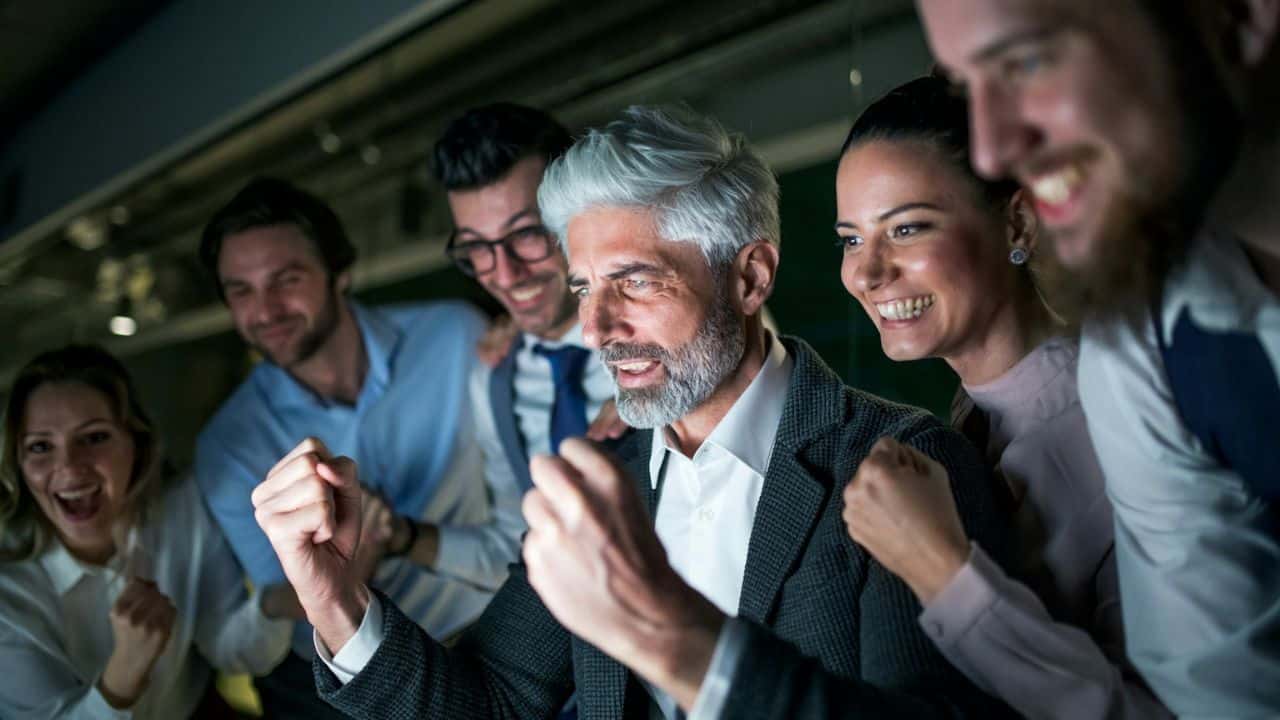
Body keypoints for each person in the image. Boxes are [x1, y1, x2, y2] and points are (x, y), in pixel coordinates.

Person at [252, 104, 1014, 720]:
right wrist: (337, 600)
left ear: (749, 278)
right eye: (584, 288)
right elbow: (489, 702)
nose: (596, 328)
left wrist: (670, 634)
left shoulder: (906, 462)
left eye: (637, 282)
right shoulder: (599, 479)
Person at [915, 0, 1280, 714]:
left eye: (1026, 62)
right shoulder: (1144, 353)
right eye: (966, 89)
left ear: (1239, 15)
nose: (991, 150)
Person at [835, 74, 1168, 719]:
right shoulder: (963, 426)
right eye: (851, 239)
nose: (867, 273)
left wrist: (941, 570)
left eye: (905, 229)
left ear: (1017, 220)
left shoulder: (1120, 422)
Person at [193, 177, 490, 716]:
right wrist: (359, 550)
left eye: (287, 279)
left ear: (340, 272)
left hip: (495, 629)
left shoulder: (455, 336)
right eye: (241, 290)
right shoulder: (227, 445)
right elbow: (297, 606)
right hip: (360, 675)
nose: (266, 310)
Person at [0, 345, 291, 719]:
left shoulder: (183, 509)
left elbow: (233, 650)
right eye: (41, 446)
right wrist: (125, 670)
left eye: (94, 437)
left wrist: (283, 600)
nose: (70, 467)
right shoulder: (8, 593)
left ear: (135, 442)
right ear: (19, 466)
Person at [425, 103, 625, 593]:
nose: (506, 274)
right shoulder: (491, 379)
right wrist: (401, 535)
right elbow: (516, 549)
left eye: (528, 234)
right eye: (476, 247)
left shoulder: (671, 332)